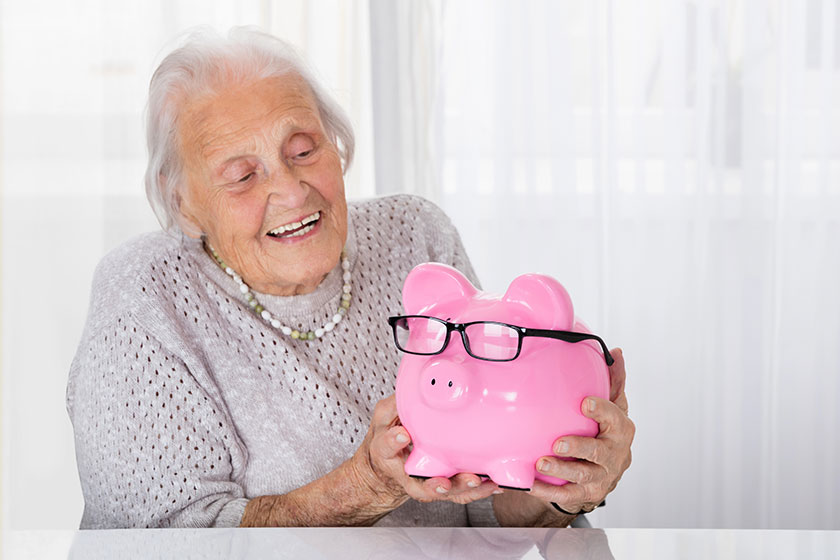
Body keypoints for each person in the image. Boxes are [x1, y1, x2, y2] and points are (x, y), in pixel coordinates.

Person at [66, 27, 634, 529]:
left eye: (304, 150)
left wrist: (563, 483)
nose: (290, 192)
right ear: (184, 204)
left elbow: (485, 511)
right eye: (241, 175)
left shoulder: (415, 236)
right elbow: (149, 543)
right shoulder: (142, 297)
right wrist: (361, 487)